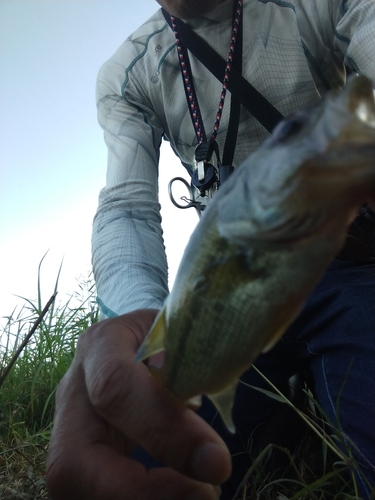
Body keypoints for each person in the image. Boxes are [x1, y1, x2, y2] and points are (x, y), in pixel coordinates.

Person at [46, 1, 375, 499]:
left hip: (351, 267)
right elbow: (127, 208)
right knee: (153, 457)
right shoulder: (130, 72)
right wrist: (145, 321)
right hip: (224, 299)